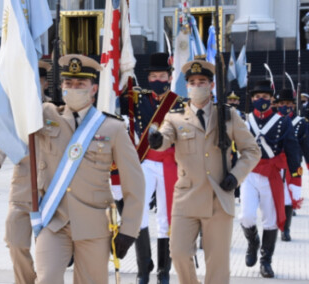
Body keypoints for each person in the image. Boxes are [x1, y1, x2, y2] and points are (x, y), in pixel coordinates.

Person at [33, 54, 145, 284]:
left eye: (80, 85)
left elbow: (135, 183)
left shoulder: (112, 127)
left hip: (93, 225)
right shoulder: (46, 117)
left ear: (93, 89)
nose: (73, 89)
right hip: (54, 221)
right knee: (46, 279)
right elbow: (16, 117)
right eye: (68, 84)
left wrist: (129, 230)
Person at [149, 60, 261, 284]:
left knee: (217, 264)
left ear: (211, 85)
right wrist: (157, 139)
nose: (196, 86)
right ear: (186, 87)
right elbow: (165, 138)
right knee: (178, 253)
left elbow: (252, 150)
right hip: (186, 198)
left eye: (202, 82)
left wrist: (236, 176)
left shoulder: (228, 115)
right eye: (192, 82)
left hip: (219, 196)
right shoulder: (175, 117)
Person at [0, 60, 53, 284]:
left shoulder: (57, 109)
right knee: (15, 241)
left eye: (38, 79)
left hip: (52, 188)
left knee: (50, 250)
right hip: (23, 186)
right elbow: (2, 138)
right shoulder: (15, 112)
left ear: (43, 82)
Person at [118, 52, 182, 284]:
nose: (157, 79)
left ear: (169, 77)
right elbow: (114, 101)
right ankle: (143, 268)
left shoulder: (179, 103)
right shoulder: (137, 98)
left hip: (169, 164)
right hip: (144, 161)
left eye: (162, 75)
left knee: (166, 217)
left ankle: (163, 271)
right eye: (153, 75)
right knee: (138, 213)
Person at [238, 81, 302, 278]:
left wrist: (295, 174)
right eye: (257, 97)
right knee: (246, 216)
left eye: (265, 97)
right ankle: (253, 242)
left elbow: (292, 148)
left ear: (272, 99)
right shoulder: (244, 120)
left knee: (270, 220)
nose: (261, 100)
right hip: (249, 172)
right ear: (252, 99)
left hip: (272, 175)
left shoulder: (283, 122)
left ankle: (266, 261)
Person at [273, 89, 308, 241]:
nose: (284, 106)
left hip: (293, 163)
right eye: (281, 103)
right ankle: (275, 225)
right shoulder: (272, 121)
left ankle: (285, 229)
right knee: (274, 196)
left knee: (289, 196)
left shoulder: (301, 122)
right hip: (275, 164)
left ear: (293, 105)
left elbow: (306, 144)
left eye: (287, 103)